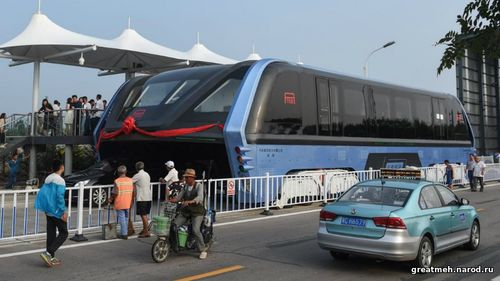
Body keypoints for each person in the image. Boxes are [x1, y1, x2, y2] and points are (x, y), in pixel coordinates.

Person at [34, 160, 68, 267]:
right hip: (56, 211)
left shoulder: (48, 178)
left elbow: (44, 194)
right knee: (64, 233)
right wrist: (63, 211)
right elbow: (60, 197)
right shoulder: (60, 180)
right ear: (61, 167)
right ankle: (48, 253)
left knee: (51, 233)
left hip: (47, 210)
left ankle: (51, 257)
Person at [170, 169, 208, 259]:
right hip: (186, 211)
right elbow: (179, 197)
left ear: (192, 178)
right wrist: (171, 200)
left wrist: (191, 201)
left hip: (197, 211)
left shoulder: (199, 186)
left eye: (187, 177)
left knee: (195, 230)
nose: (185, 179)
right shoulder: (186, 186)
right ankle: (174, 244)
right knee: (174, 225)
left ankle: (202, 249)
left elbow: (200, 197)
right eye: (185, 177)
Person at [108, 165, 134, 239]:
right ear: (125, 172)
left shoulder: (117, 181)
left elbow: (115, 192)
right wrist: (132, 200)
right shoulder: (130, 180)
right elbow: (133, 191)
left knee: (122, 218)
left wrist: (111, 198)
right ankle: (124, 232)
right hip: (128, 202)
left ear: (118, 173)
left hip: (120, 202)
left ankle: (124, 234)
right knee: (126, 218)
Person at [132, 161, 152, 238]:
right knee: (144, 214)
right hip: (148, 196)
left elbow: (129, 181)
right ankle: (145, 229)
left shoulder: (138, 175)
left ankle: (146, 231)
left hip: (142, 197)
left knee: (143, 215)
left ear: (136, 168)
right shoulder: (147, 174)